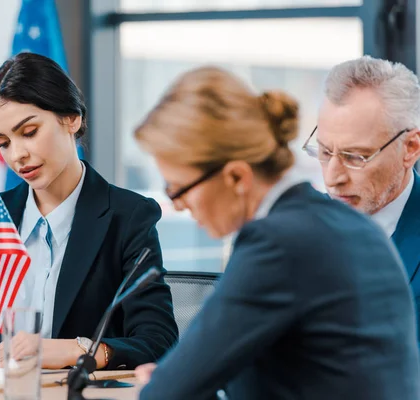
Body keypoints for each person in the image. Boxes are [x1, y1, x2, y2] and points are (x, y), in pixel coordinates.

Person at [133, 66, 420, 400]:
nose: (178, 205)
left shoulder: (278, 241)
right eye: (324, 152)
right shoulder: (346, 223)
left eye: (179, 188)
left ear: (237, 177)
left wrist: (173, 381)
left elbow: (167, 393)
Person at [0, 52, 178, 375]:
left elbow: (159, 341)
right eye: (3, 143)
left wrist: (73, 349)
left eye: (29, 132)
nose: (18, 155)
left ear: (72, 118)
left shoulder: (128, 217)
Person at [302, 55, 420, 344]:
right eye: (325, 152)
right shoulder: (296, 229)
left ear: (411, 148)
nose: (332, 178)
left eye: (356, 156)